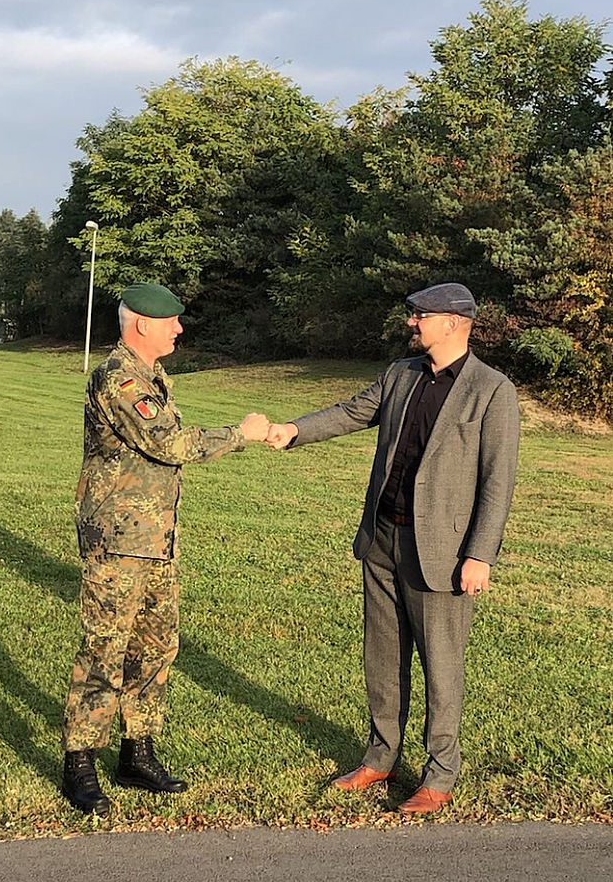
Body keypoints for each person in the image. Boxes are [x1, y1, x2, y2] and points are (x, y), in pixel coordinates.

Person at [266, 282, 519, 813]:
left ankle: (439, 776)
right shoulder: (400, 374)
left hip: (444, 555)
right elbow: (351, 412)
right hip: (381, 539)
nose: (411, 324)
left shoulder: (492, 390)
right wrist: (294, 429)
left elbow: (499, 480)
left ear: (452, 323)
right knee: (382, 659)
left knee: (442, 666)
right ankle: (381, 759)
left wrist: (480, 554)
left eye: (420, 317)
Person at [62, 282, 270, 816]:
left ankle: (137, 752)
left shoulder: (153, 375)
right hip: (119, 540)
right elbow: (171, 444)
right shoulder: (122, 378)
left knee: (155, 648)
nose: (179, 329)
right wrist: (242, 433)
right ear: (141, 325)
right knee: (105, 649)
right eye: (172, 321)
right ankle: (80, 762)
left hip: (155, 539)